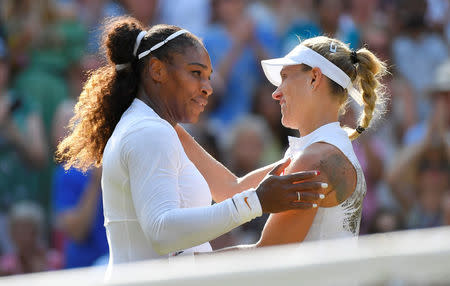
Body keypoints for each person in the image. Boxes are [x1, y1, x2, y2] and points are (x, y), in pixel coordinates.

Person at [55, 16, 326, 273]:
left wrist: (306, 154)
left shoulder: (158, 127)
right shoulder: (149, 131)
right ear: (157, 71)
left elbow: (230, 189)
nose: (208, 87)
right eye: (196, 73)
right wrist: (256, 202)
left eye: (208, 76)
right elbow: (162, 232)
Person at [177, 35, 387, 248]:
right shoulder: (318, 153)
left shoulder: (315, 159)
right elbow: (231, 189)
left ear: (314, 78)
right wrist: (171, 124)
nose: (276, 93)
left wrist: (187, 263)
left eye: (285, 77)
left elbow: (266, 255)